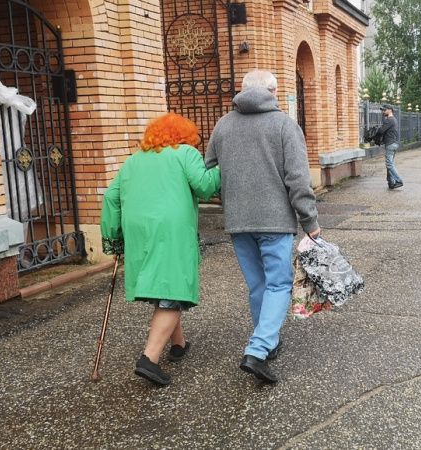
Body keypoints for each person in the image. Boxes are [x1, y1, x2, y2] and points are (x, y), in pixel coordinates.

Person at [205, 69, 321, 384]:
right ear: (272, 90)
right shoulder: (284, 125)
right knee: (279, 284)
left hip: (238, 221)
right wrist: (310, 221)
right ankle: (257, 350)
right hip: (275, 221)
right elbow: (298, 179)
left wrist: (230, 196)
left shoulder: (223, 125)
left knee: (259, 286)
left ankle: (267, 344)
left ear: (242, 92)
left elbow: (210, 171)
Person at [100, 113, 220, 386]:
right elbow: (204, 187)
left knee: (163, 283)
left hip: (138, 230)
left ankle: (178, 344)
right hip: (169, 229)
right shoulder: (185, 153)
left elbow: (111, 197)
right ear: (185, 135)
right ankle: (149, 359)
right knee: (172, 287)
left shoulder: (134, 160)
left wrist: (114, 235)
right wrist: (222, 169)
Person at [375, 104, 403, 189]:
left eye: (384, 110)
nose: (383, 112)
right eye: (382, 110)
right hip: (393, 143)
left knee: (389, 164)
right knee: (390, 164)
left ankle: (398, 181)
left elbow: (381, 130)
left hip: (390, 144)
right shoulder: (394, 119)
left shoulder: (389, 120)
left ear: (390, 110)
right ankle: (391, 182)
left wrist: (374, 130)